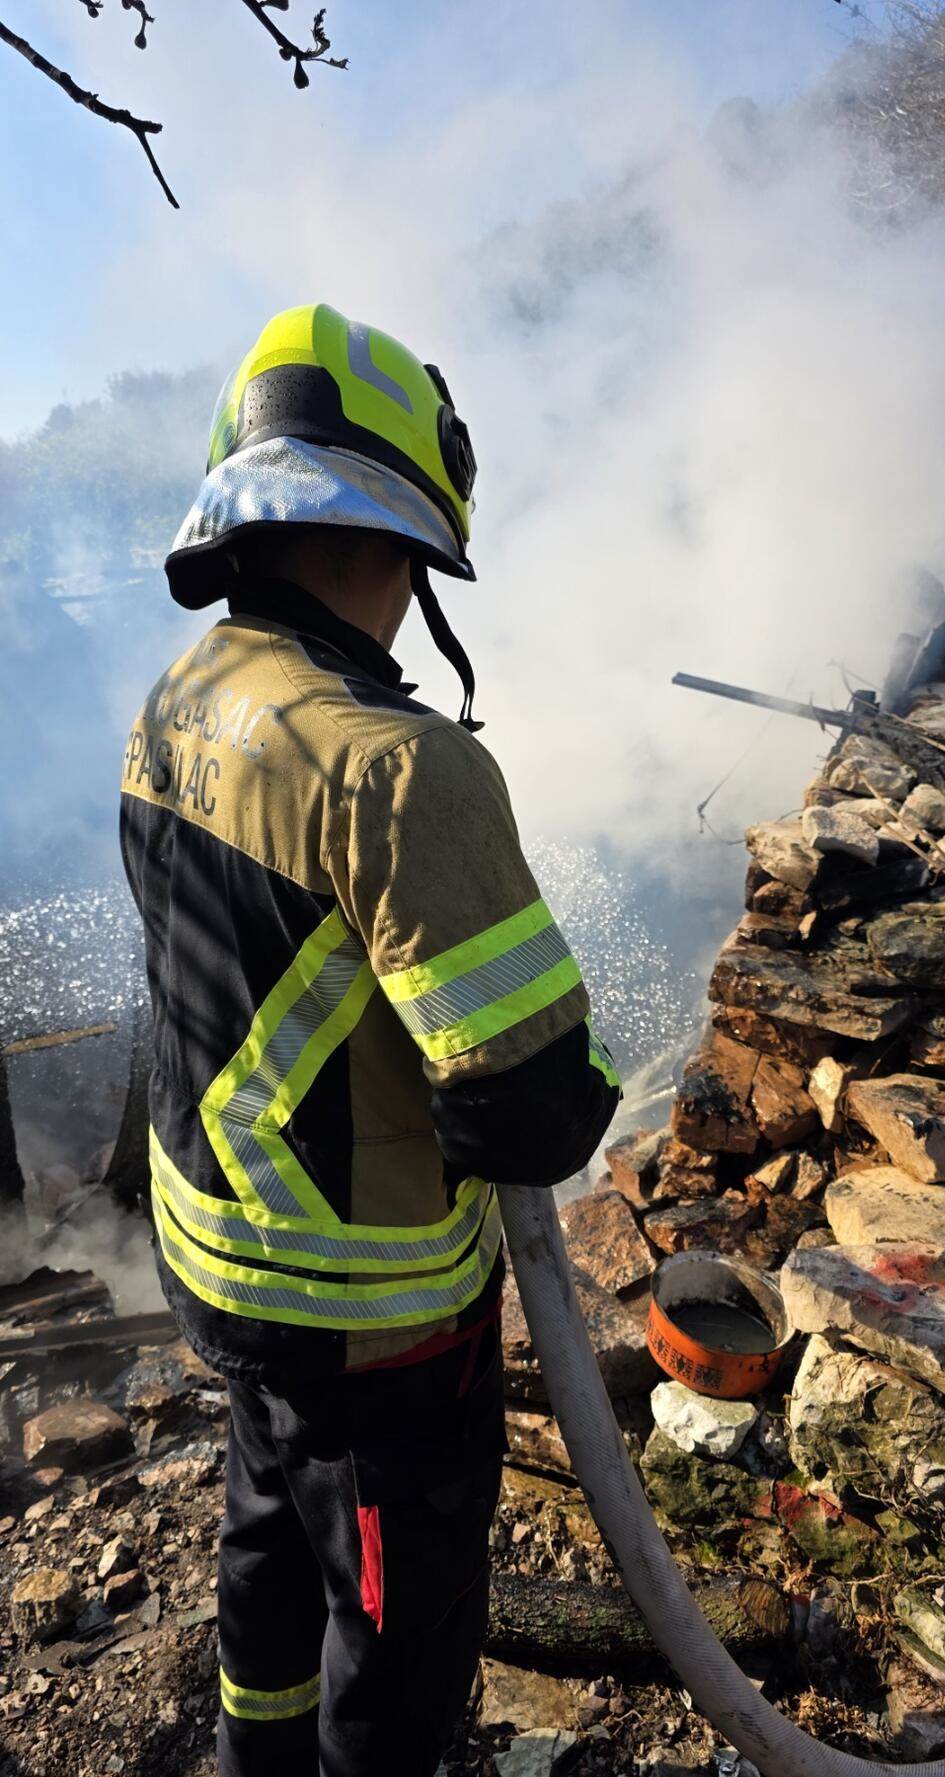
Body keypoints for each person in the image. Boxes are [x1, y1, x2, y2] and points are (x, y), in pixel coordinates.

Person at [119, 302, 621, 1777]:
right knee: (394, 1640)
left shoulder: (179, 699)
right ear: (395, 535)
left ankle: (251, 1757)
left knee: (266, 1536)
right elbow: (529, 1109)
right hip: (377, 1325)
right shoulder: (402, 768)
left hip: (216, 1262)